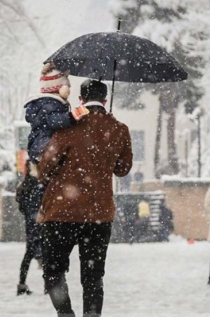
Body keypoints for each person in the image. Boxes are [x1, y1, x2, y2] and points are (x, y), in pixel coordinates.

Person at [37, 79, 133, 317]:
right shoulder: (119, 129)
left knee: (53, 271)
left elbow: (44, 167)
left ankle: (65, 313)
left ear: (80, 99)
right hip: (98, 215)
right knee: (93, 276)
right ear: (105, 100)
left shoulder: (68, 127)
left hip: (62, 214)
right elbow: (123, 169)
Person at [24, 63, 90, 163]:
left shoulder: (47, 104)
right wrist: (72, 116)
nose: (69, 88)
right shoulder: (50, 105)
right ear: (61, 88)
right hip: (44, 146)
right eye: (67, 85)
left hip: (40, 146)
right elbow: (54, 120)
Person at [15, 160, 44, 295]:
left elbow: (22, 206)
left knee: (31, 253)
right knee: (43, 253)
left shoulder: (27, 185)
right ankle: (49, 285)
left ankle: (22, 284)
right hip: (38, 223)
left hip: (34, 223)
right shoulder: (37, 184)